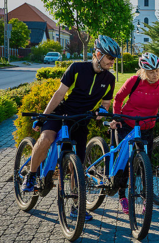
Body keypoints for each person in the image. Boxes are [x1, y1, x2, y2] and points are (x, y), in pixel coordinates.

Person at [22, 35, 121, 221]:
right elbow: (59, 94)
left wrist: (102, 111)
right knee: (46, 138)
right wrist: (44, 116)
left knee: (78, 166)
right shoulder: (77, 68)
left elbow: (106, 103)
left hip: (81, 120)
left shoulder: (110, 79)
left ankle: (76, 206)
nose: (112, 62)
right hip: (62, 113)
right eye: (109, 57)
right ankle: (31, 175)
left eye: (114, 59)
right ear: (98, 54)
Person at [111, 52, 159, 214]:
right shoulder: (134, 81)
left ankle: (146, 198)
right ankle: (122, 195)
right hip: (127, 124)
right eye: (151, 72)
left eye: (157, 70)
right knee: (124, 163)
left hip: (146, 127)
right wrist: (116, 117)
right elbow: (118, 98)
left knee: (146, 165)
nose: (155, 74)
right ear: (143, 71)